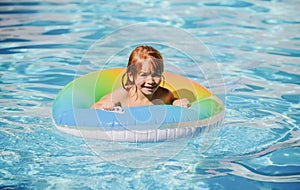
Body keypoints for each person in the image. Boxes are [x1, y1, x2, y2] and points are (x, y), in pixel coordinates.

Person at [91, 45, 190, 111]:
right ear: (131, 75)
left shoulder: (163, 95)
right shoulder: (123, 96)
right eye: (143, 75)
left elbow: (173, 100)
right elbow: (94, 108)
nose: (150, 81)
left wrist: (177, 102)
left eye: (156, 75)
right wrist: (106, 106)